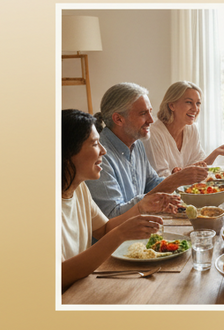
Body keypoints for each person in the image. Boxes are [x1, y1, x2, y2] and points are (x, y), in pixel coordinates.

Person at [60, 110, 177, 288]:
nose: (103, 151)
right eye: (94, 144)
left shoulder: (79, 189)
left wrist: (142, 207)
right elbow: (60, 275)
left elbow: (104, 229)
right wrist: (121, 233)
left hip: (84, 286)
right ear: (67, 154)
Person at [86, 83, 208, 218]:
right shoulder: (99, 156)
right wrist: (174, 181)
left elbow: (152, 183)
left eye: (150, 111)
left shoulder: (137, 143)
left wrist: (178, 180)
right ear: (118, 119)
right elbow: (112, 216)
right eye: (143, 113)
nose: (151, 120)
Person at [146, 81, 224, 177]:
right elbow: (161, 178)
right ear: (172, 105)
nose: (195, 108)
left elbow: (199, 167)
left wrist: (215, 153)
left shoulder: (192, 129)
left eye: (198, 103)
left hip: (186, 190)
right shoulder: (154, 133)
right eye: (189, 102)